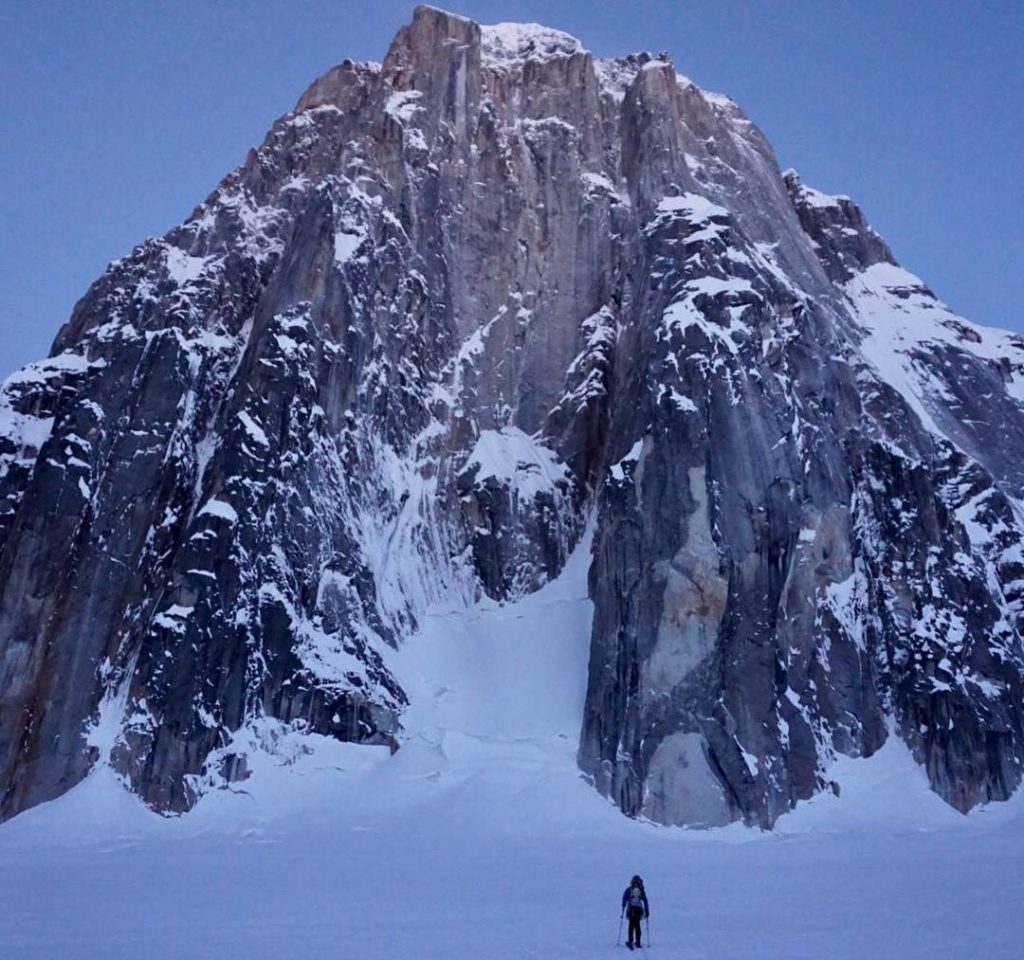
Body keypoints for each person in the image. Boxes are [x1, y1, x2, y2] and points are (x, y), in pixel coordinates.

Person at [621, 874, 649, 950]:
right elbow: (645, 901)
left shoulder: (629, 890)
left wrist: (623, 906)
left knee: (631, 925)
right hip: (638, 911)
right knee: (637, 925)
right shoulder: (641, 891)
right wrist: (647, 910)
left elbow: (624, 898)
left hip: (631, 910)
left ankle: (630, 941)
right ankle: (638, 942)